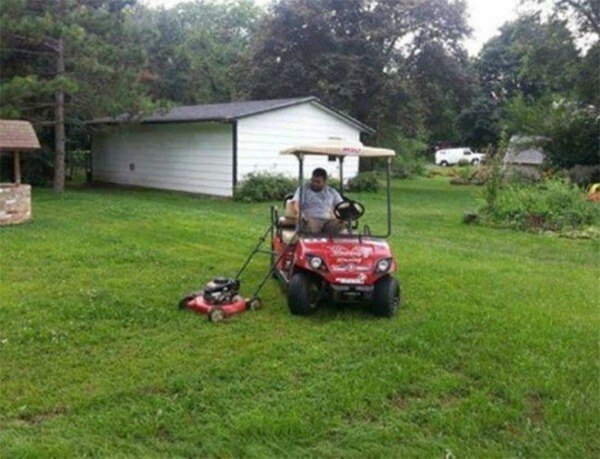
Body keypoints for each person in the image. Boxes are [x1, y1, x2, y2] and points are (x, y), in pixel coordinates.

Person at [291, 167, 345, 234]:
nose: (315, 184)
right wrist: (299, 214)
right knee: (307, 226)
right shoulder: (303, 189)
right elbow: (295, 203)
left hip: (328, 220)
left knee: (340, 226)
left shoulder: (331, 192)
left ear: (325, 182)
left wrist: (344, 214)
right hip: (310, 219)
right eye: (313, 181)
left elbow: (341, 205)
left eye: (318, 182)